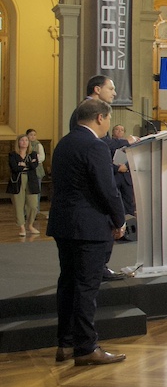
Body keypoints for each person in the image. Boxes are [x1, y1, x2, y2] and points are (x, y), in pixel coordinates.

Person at [48, 98, 128, 366]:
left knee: (68, 284)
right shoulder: (95, 146)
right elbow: (107, 189)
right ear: (99, 118)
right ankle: (86, 348)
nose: (107, 124)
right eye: (107, 119)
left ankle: (66, 344)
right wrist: (120, 220)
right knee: (86, 288)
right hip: (89, 227)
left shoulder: (63, 143)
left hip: (64, 225)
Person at [9, 133, 42, 236]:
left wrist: (23, 164)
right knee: (18, 205)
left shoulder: (33, 154)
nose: (24, 142)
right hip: (18, 181)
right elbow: (14, 167)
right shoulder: (13, 155)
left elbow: (34, 165)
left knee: (33, 205)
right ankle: (22, 227)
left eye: (26, 140)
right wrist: (26, 165)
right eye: (22, 140)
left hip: (30, 180)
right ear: (18, 142)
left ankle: (30, 225)